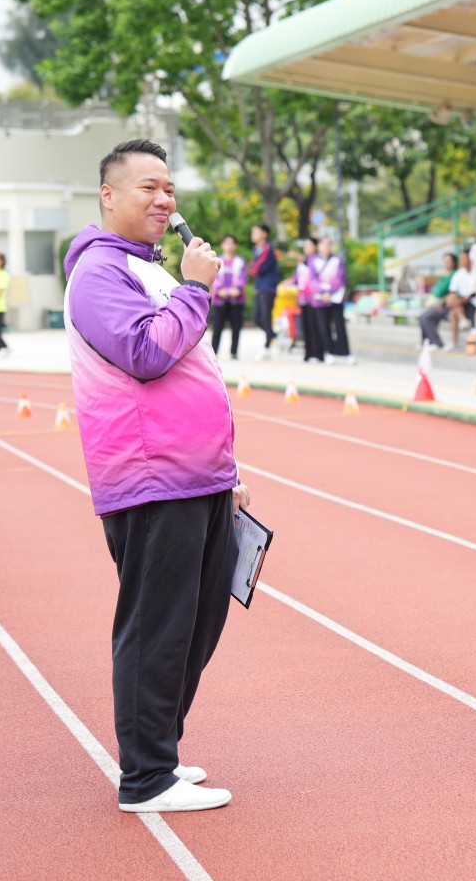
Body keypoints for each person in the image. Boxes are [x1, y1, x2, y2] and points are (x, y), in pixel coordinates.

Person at [62, 138, 244, 814]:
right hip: (150, 477)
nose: (165, 199)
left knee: (197, 624)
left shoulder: (149, 268)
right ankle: (145, 778)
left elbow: (195, 372)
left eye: (169, 188)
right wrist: (196, 288)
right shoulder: (100, 273)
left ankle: (160, 752)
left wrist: (228, 470)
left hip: (198, 475)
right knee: (158, 626)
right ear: (108, 195)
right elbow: (145, 354)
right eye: (149, 187)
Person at [315, 236, 353, 365]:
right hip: (320, 300)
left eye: (329, 244)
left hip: (336, 298)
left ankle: (346, 353)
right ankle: (329, 352)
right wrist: (322, 292)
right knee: (324, 327)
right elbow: (313, 280)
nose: (327, 247)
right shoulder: (314, 261)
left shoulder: (337, 260)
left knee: (340, 326)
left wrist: (330, 292)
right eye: (324, 244)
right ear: (318, 246)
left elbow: (340, 278)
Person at [209, 235, 247, 359]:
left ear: (235, 245)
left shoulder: (240, 262)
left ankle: (234, 352)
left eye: (232, 243)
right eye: (227, 243)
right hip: (220, 299)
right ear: (222, 245)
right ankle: (214, 351)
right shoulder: (216, 260)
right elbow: (213, 276)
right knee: (217, 326)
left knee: (236, 326)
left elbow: (243, 278)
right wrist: (219, 289)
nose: (229, 246)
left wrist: (238, 289)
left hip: (237, 300)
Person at [247, 224, 279, 359]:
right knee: (257, 318)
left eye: (256, 232)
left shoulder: (267, 249)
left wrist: (252, 268)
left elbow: (258, 269)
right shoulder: (257, 249)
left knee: (266, 317)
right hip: (259, 287)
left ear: (264, 234)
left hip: (268, 287)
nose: (253, 235)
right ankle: (275, 335)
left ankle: (267, 346)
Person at [292, 237, 326, 362]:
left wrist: (299, 258)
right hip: (303, 299)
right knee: (305, 326)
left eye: (309, 246)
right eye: (305, 246)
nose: (306, 248)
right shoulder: (303, 262)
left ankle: (318, 353)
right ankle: (308, 353)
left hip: (314, 299)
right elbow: (297, 278)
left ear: (316, 247)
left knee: (315, 326)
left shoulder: (317, 260)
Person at [418, 252, 459, 351]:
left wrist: (443, 303)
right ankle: (426, 342)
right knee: (422, 316)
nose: (446, 263)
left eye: (449, 261)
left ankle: (437, 343)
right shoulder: (444, 275)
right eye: (445, 261)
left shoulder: (455, 275)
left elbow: (451, 292)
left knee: (427, 318)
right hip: (437, 304)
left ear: (454, 262)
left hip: (446, 306)